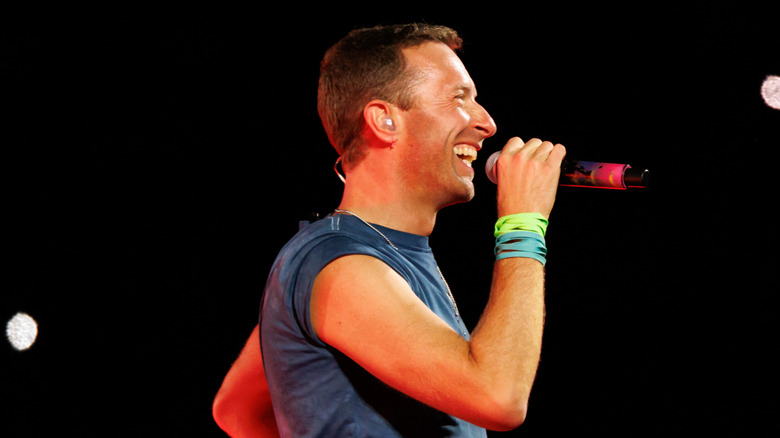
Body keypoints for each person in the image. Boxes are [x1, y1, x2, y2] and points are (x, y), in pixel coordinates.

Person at [213, 23, 565, 437]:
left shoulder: (365, 258)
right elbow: (500, 398)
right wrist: (523, 222)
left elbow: (235, 409)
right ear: (384, 121)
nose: (487, 123)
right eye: (459, 98)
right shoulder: (340, 267)